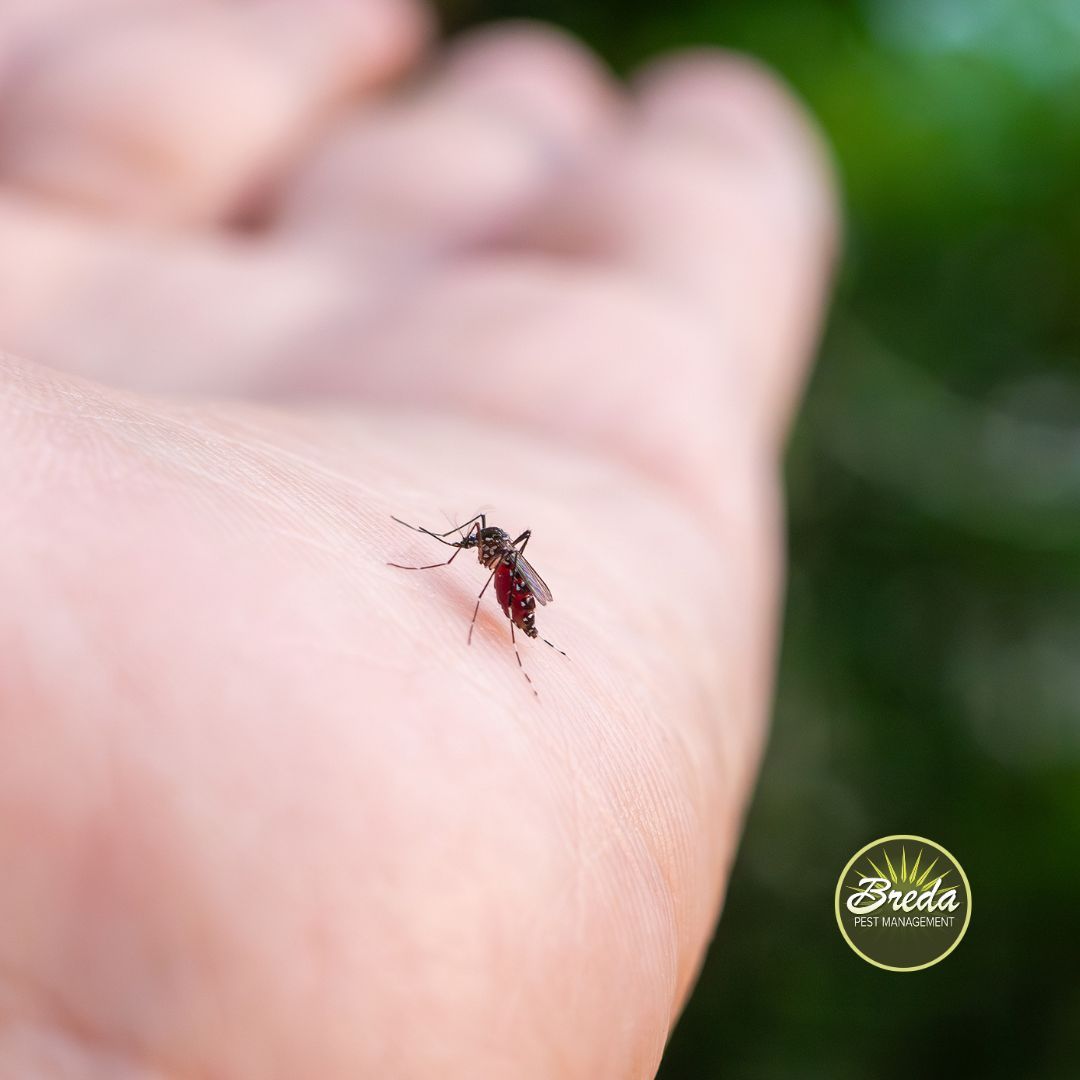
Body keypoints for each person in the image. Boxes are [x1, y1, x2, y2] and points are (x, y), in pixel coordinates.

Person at [0, 2, 836, 1075]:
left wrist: (485, 577)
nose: (483, 549)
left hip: (529, 615)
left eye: (486, 546)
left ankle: (526, 655)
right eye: (485, 546)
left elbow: (495, 558)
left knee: (486, 595)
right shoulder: (492, 544)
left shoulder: (500, 564)